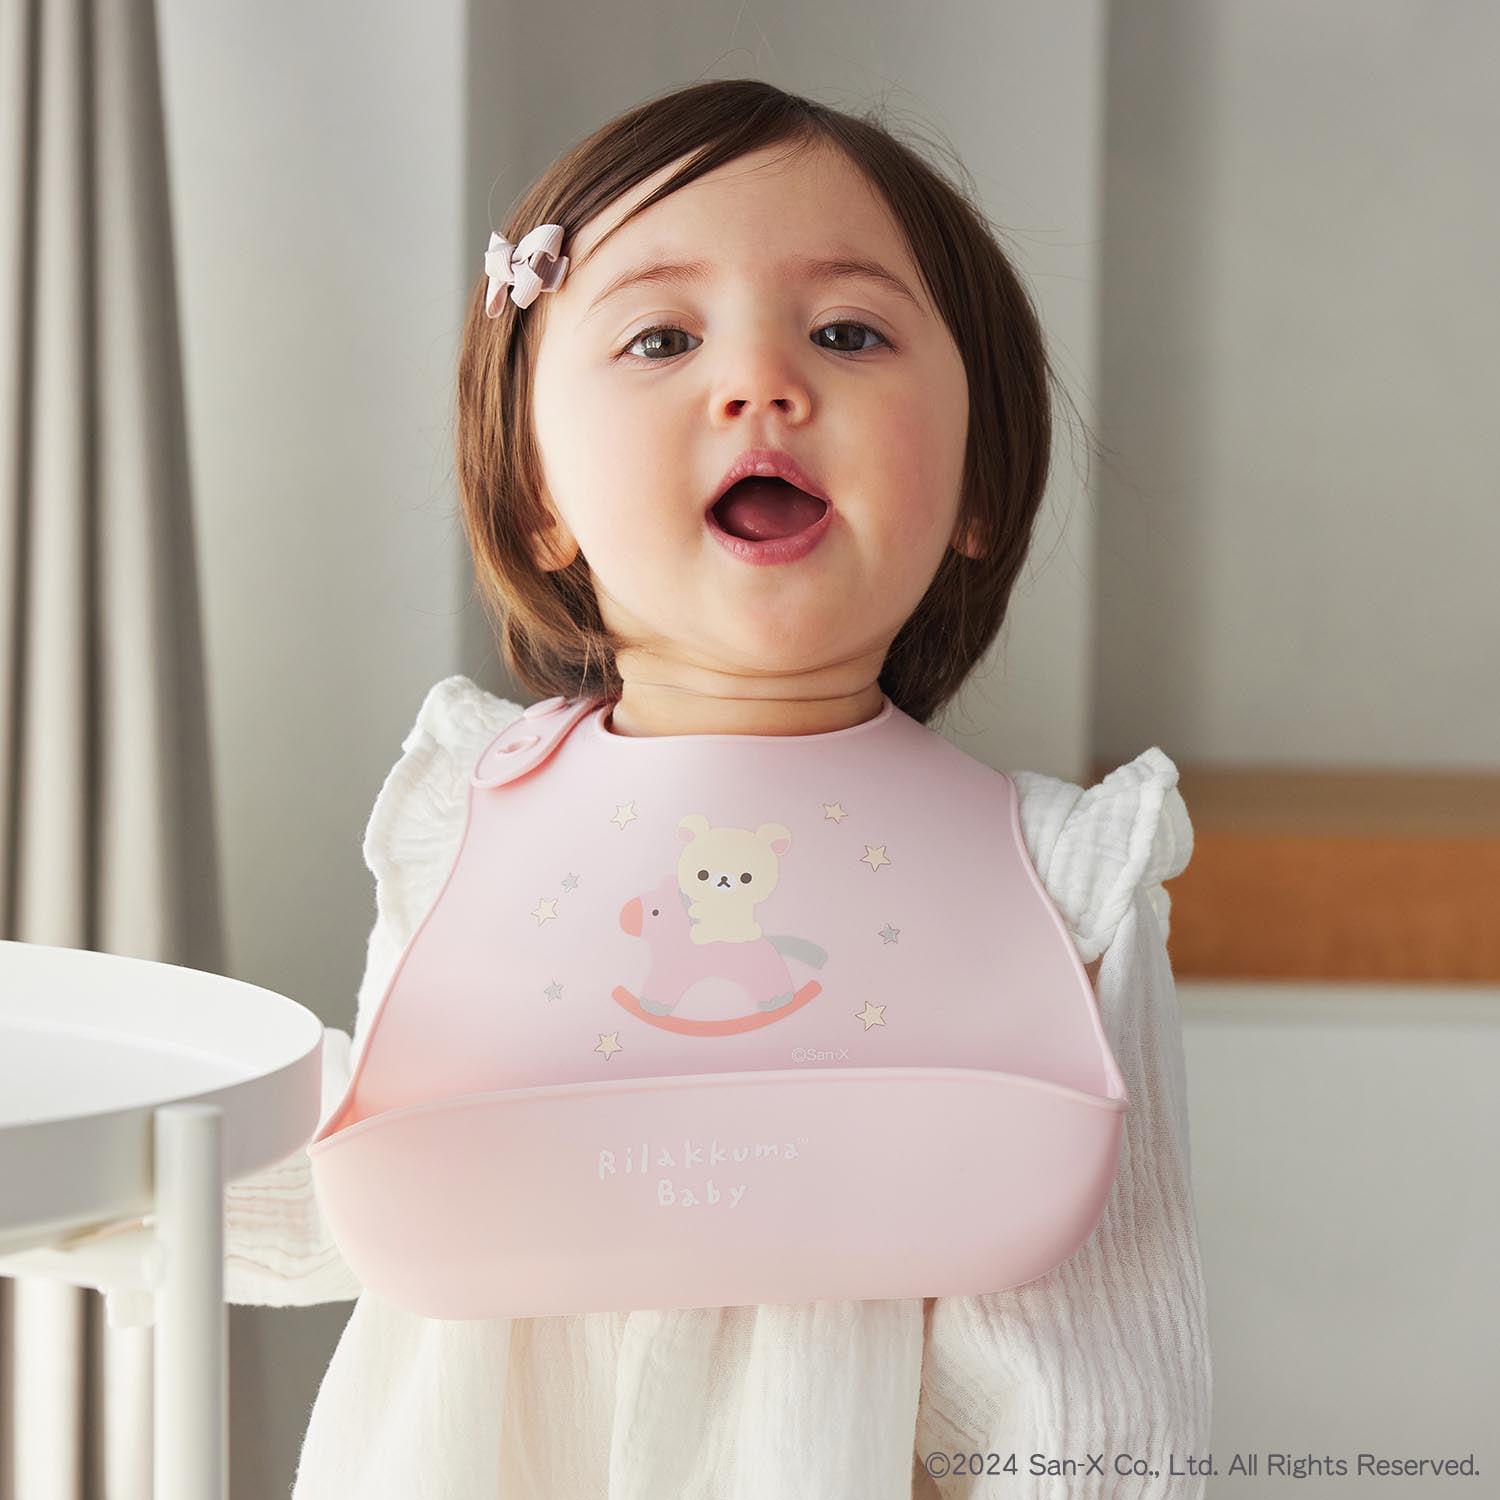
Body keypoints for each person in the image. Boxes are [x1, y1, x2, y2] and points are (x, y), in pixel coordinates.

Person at [224, 78, 1211, 1498]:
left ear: (980, 482)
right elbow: (377, 1176)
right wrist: (98, 1157)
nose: (760, 383)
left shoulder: (1067, 886)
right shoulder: (460, 814)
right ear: (536, 495)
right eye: (663, 337)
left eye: (848, 332)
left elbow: (1104, 1411)